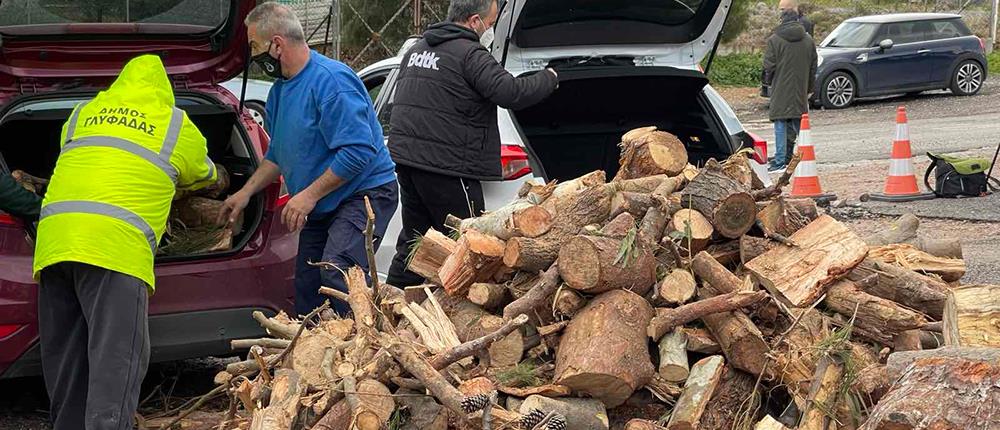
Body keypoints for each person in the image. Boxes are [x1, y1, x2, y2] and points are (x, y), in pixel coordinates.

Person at [34, 54, 218, 430]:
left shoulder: (83, 112)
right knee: (116, 364)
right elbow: (204, 172)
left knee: (67, 363)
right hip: (114, 249)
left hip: (53, 242)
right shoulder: (173, 122)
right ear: (164, 90)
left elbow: (80, 157)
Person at [219, 3, 398, 317]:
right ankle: (314, 357)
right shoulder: (279, 93)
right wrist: (244, 193)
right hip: (323, 203)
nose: (253, 57)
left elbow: (358, 152)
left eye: (254, 47)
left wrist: (307, 196)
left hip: (364, 195)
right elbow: (277, 155)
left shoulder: (332, 82)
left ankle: (365, 349)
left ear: (277, 44)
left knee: (337, 271)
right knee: (308, 286)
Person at [385, 0, 559, 287]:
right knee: (469, 245)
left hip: (409, 165)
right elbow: (511, 93)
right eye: (490, 23)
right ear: (475, 21)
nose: (490, 29)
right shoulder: (469, 53)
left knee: (415, 242)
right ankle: (463, 317)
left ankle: (390, 309)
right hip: (450, 171)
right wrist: (548, 78)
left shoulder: (417, 51)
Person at [764, 8, 817, 171]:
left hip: (780, 88)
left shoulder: (774, 40)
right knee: (800, 125)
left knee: (780, 123)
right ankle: (805, 156)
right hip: (800, 89)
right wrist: (809, 87)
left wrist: (767, 83)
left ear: (782, 20)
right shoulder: (808, 40)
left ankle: (780, 161)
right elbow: (813, 66)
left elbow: (768, 66)